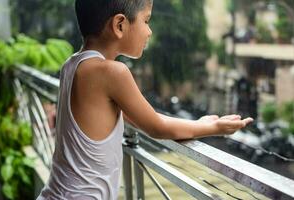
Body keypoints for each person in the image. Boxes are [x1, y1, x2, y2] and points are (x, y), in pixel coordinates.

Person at [36, 0, 253, 199]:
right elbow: (157, 126)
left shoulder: (71, 65)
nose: (149, 31)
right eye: (146, 20)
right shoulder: (112, 72)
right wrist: (211, 126)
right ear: (120, 25)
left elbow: (138, 116)